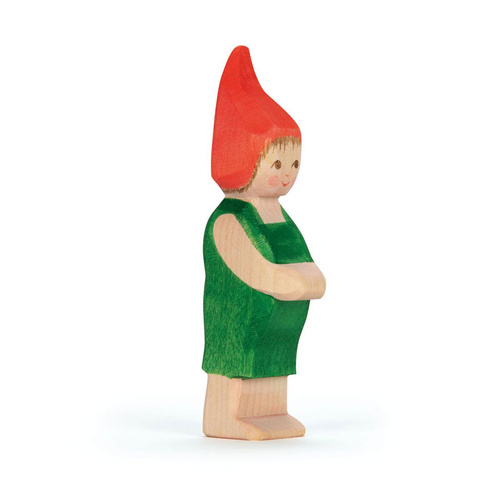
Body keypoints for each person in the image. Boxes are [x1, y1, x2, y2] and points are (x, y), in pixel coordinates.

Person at [202, 46, 326, 440]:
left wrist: (307, 279)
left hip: (279, 323)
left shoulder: (279, 214)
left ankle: (272, 412)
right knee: (237, 363)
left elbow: (299, 258)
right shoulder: (229, 219)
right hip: (238, 320)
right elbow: (255, 270)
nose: (288, 175)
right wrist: (291, 281)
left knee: (273, 363)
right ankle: (225, 417)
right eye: (277, 164)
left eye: (294, 164)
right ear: (245, 159)